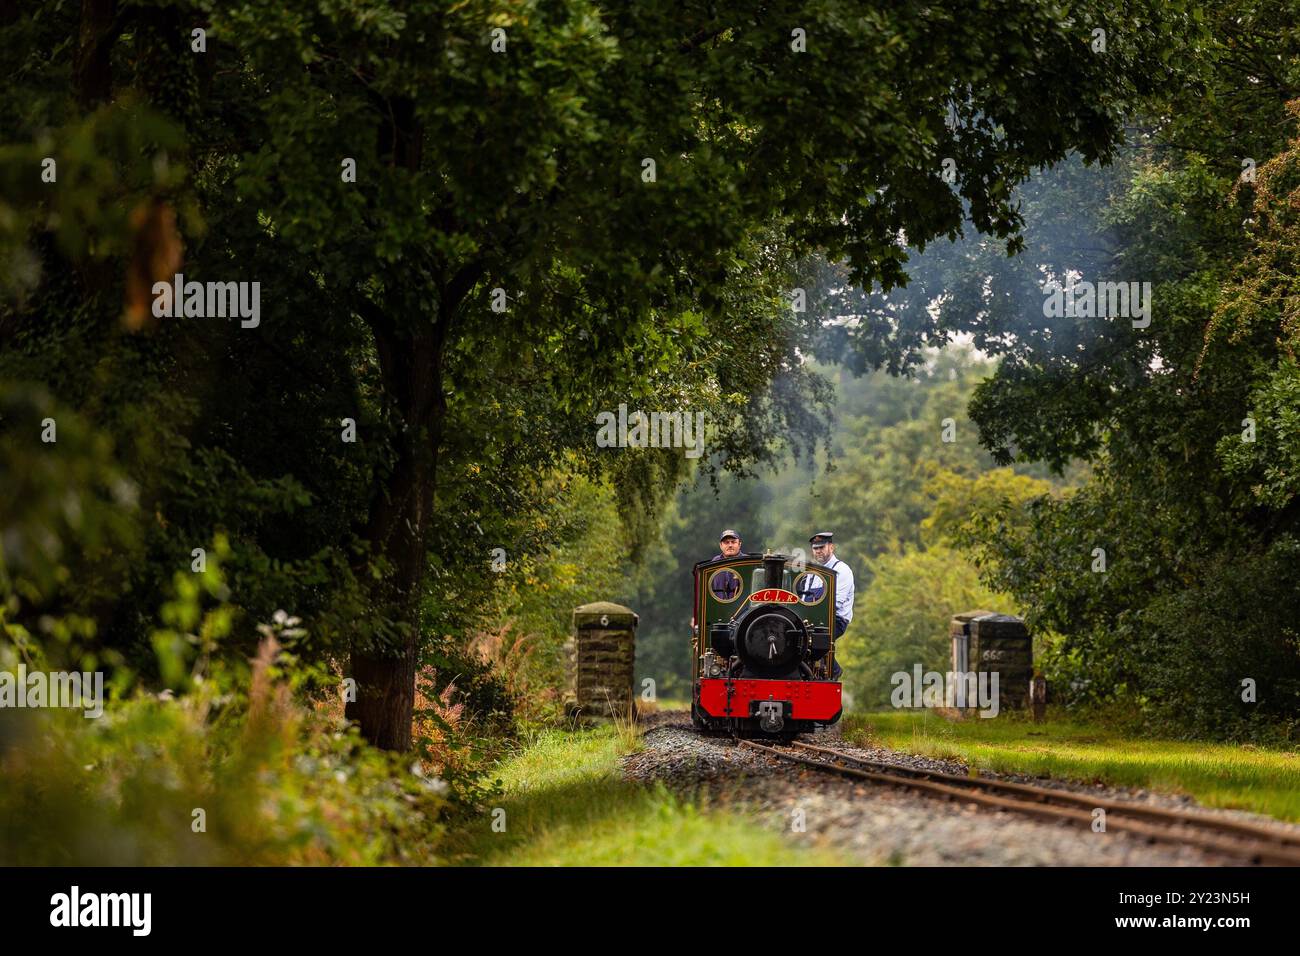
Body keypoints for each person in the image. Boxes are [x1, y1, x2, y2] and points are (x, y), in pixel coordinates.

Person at [809, 531, 854, 679]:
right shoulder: (811, 573)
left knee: (807, 638)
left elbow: (836, 603)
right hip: (813, 619)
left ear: (831, 547)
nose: (818, 551)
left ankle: (833, 670)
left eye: (822, 547)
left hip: (836, 619)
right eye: (816, 548)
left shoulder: (842, 570)